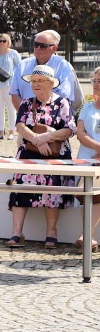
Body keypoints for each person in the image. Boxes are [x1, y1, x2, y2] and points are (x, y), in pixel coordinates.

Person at [7, 65, 75, 249]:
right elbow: (20, 126)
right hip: (29, 151)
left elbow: (70, 129)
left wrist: (48, 137)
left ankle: (51, 232)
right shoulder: (27, 103)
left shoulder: (62, 102)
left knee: (52, 187)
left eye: (40, 81)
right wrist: (37, 139)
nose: (35, 84)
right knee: (20, 186)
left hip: (54, 154)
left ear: (51, 83)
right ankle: (17, 232)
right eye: (33, 81)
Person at [9, 29, 79, 115]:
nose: (38, 48)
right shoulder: (22, 66)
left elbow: (66, 98)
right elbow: (14, 94)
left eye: (43, 46)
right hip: (27, 121)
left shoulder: (64, 67)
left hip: (55, 121)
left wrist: (46, 119)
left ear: (54, 48)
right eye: (36, 45)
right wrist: (28, 117)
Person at [74, 68, 100, 252]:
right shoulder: (87, 107)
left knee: (97, 196)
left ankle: (87, 235)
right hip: (87, 158)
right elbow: (80, 134)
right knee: (86, 195)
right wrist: (98, 148)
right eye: (95, 80)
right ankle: (88, 237)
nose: (96, 84)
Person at [0, 33, 21, 140]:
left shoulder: (13, 53)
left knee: (11, 109)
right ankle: (0, 131)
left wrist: (13, 77)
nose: (2, 43)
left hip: (10, 84)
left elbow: (20, 67)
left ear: (8, 42)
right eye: (0, 41)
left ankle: (11, 131)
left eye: (4, 41)